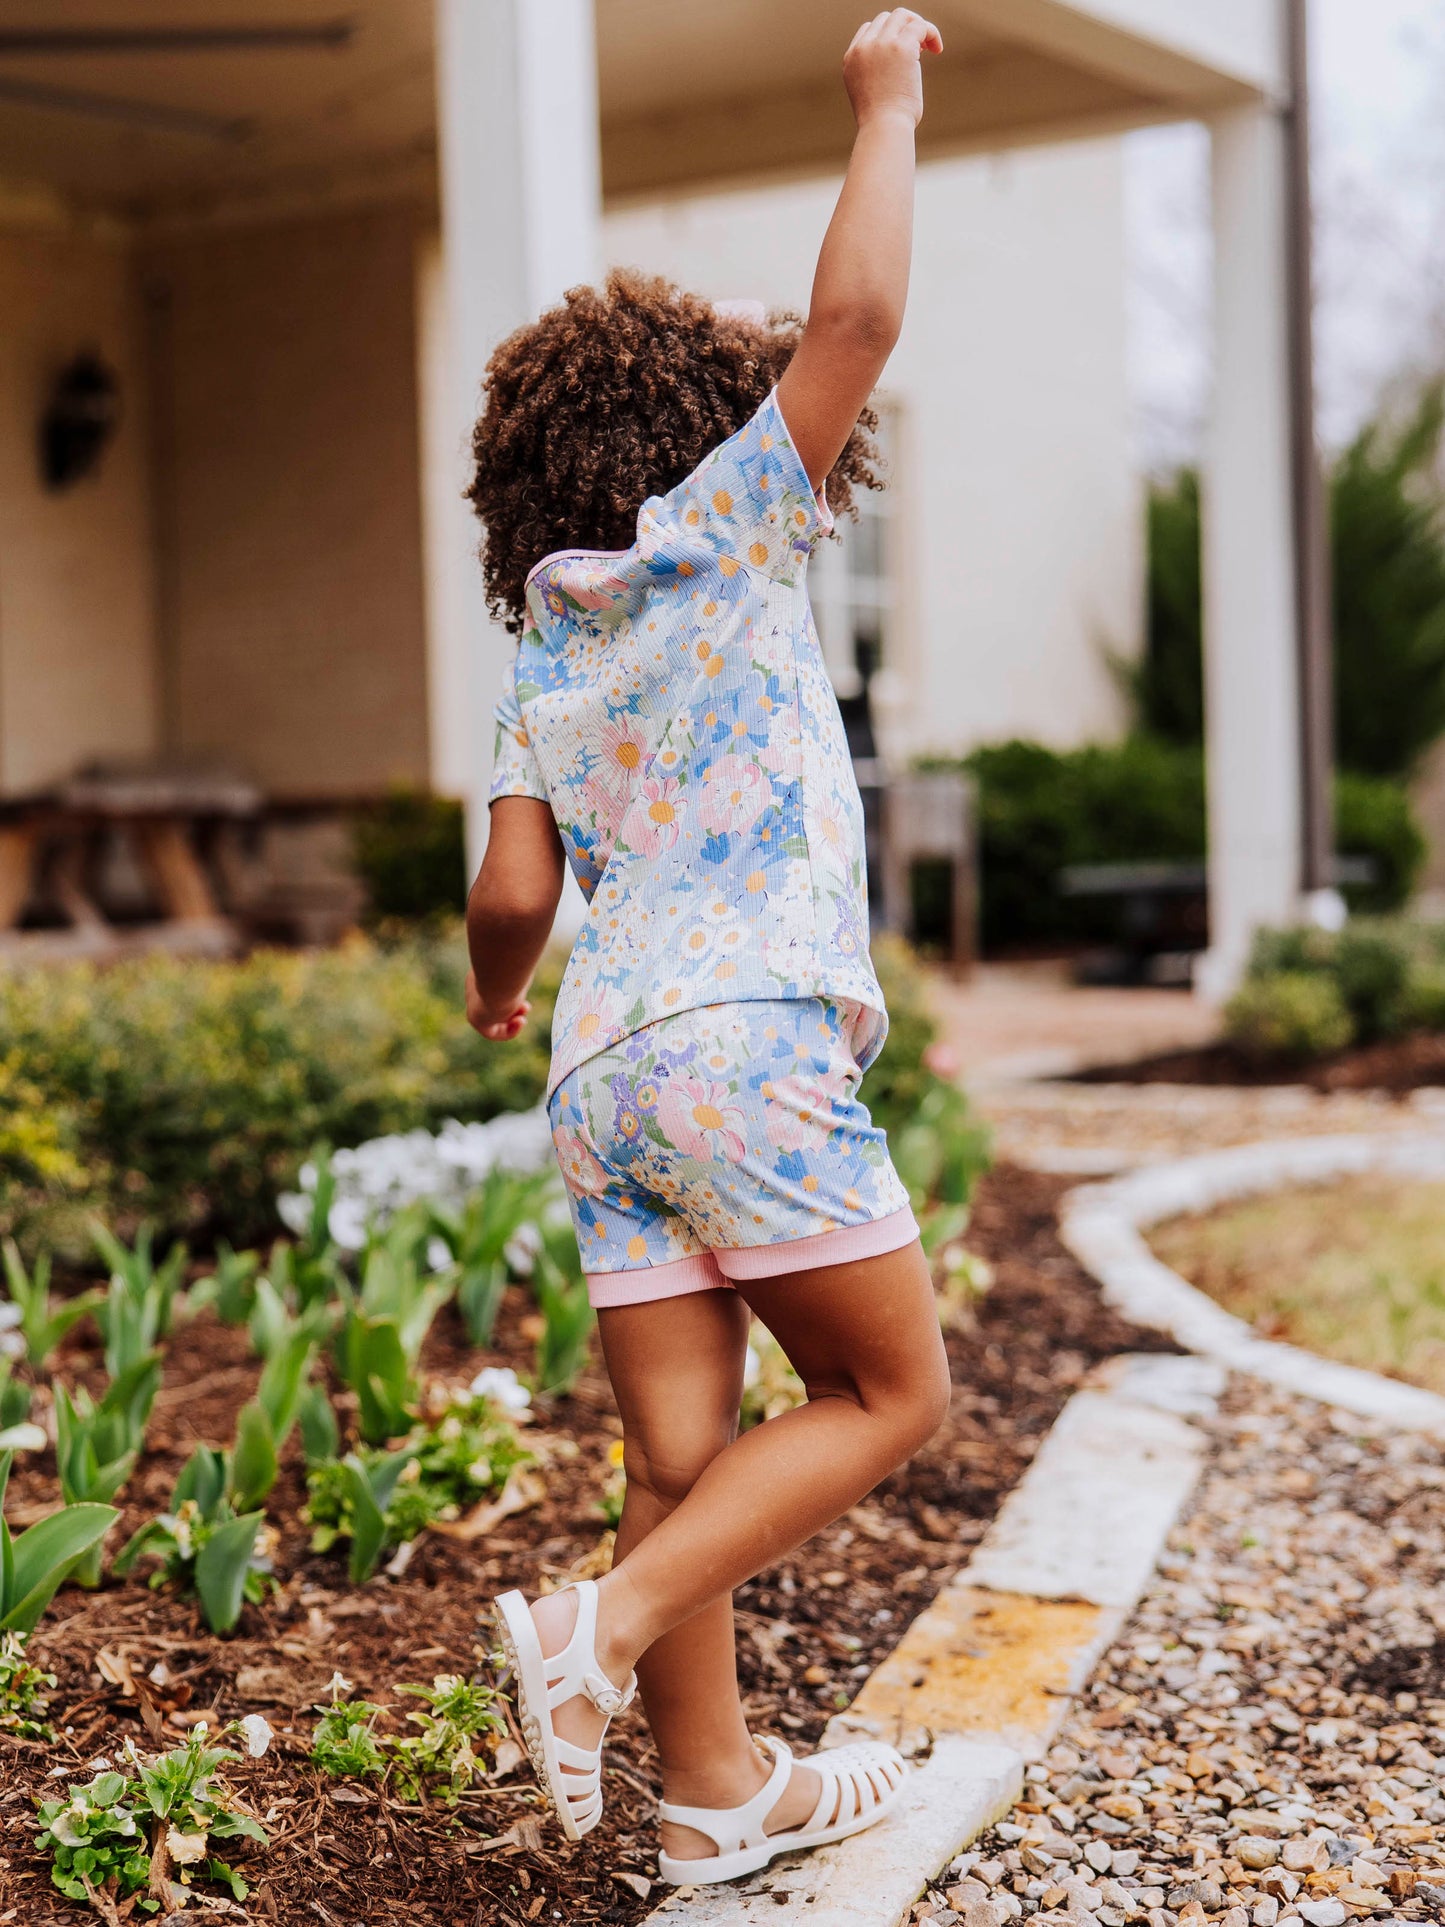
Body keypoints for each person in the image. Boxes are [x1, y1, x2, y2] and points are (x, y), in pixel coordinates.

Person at [462, 10, 950, 1888]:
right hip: (744, 1038)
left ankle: (713, 1797)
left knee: (686, 1453)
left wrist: (501, 994)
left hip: (600, 1072)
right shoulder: (733, 530)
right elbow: (853, 328)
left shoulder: (540, 658)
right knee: (886, 1394)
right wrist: (883, 106)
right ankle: (595, 1637)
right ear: (701, 433)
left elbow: (511, 893)